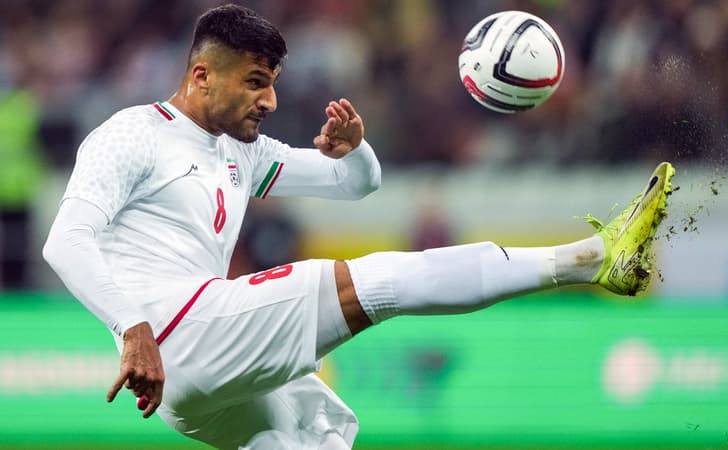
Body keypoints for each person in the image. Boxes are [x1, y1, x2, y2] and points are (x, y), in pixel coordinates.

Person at [43, 4, 675, 449]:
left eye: (273, 84)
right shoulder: (132, 135)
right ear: (201, 75)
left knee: (318, 435)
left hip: (189, 372)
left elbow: (353, 184)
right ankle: (594, 258)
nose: (270, 101)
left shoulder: (239, 151)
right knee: (377, 281)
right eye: (256, 83)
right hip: (175, 333)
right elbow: (65, 242)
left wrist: (356, 151)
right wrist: (132, 329)